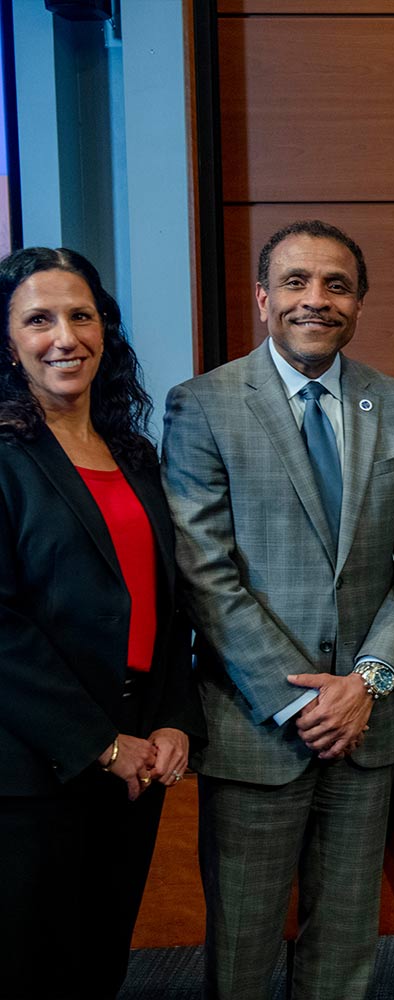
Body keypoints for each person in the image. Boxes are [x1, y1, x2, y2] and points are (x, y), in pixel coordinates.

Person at [160, 220, 394, 1000]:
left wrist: (367, 683)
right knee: (241, 956)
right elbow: (204, 571)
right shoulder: (204, 405)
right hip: (255, 730)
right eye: (295, 282)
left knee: (345, 952)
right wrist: (299, 701)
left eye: (336, 285)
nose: (315, 300)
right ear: (262, 298)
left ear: (359, 302)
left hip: (367, 727)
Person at [0, 247, 199, 999]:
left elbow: (168, 603)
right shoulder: (4, 454)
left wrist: (174, 720)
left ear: (105, 332)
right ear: (8, 339)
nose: (64, 337)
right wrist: (100, 744)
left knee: (96, 968)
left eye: (81, 316)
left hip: (134, 764)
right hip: (32, 772)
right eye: (38, 319)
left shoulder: (133, 453)